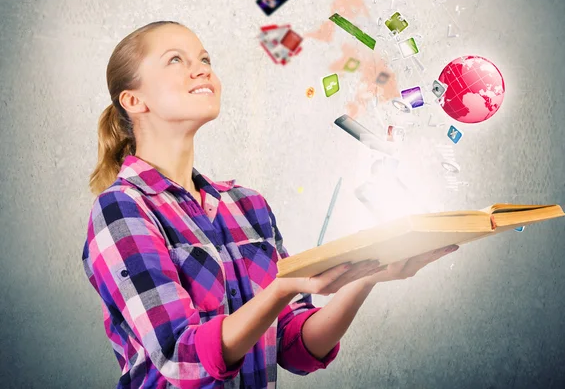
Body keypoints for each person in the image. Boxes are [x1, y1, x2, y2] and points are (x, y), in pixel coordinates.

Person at [81, 20, 459, 389]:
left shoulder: (248, 205)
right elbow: (181, 359)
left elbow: (294, 345)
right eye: (176, 60)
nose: (201, 70)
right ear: (133, 100)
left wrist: (369, 275)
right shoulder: (121, 210)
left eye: (205, 60)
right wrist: (280, 289)